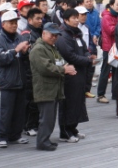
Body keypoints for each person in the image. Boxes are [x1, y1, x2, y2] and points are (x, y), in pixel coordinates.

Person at [29, 23, 77, 151]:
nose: (54, 37)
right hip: (45, 89)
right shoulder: (38, 49)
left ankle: (45, 140)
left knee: (50, 118)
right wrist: (64, 69)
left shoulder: (51, 48)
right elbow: (46, 68)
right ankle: (42, 142)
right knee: (46, 118)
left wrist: (68, 67)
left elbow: (61, 61)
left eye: (56, 35)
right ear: (44, 33)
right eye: (52, 35)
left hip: (54, 89)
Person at [0, 10, 30, 148]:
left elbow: (24, 58)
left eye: (15, 23)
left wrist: (25, 53)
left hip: (19, 81)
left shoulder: (19, 37)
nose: (14, 25)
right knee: (4, 112)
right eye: (11, 23)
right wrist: (16, 50)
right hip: (5, 82)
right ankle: (2, 136)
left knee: (19, 112)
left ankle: (16, 135)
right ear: (3, 24)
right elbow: (0, 58)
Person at [55, 9, 94, 143]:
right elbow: (69, 55)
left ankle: (72, 128)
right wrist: (87, 60)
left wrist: (88, 56)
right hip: (70, 74)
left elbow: (84, 49)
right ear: (66, 20)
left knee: (77, 102)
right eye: (74, 18)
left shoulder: (76, 34)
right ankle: (64, 132)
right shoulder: (63, 35)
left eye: (77, 17)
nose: (77, 20)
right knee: (68, 103)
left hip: (80, 72)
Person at [19, 8, 44, 137]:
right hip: (29, 72)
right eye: (37, 19)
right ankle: (28, 126)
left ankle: (34, 124)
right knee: (30, 101)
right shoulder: (27, 34)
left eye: (41, 18)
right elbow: (29, 55)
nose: (40, 21)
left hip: (37, 72)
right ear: (29, 20)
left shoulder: (39, 32)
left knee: (36, 100)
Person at [97, 0, 118, 104]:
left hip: (117, 47)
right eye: (117, 4)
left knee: (117, 72)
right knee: (105, 72)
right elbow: (111, 30)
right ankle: (100, 94)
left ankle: (115, 93)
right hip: (108, 48)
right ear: (111, 5)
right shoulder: (106, 17)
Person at [82, 0, 100, 98]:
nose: (89, 3)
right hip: (86, 40)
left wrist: (96, 35)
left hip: (94, 40)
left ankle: (88, 86)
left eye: (90, 1)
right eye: (87, 1)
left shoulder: (96, 12)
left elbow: (98, 25)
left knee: (93, 63)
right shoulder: (83, 13)